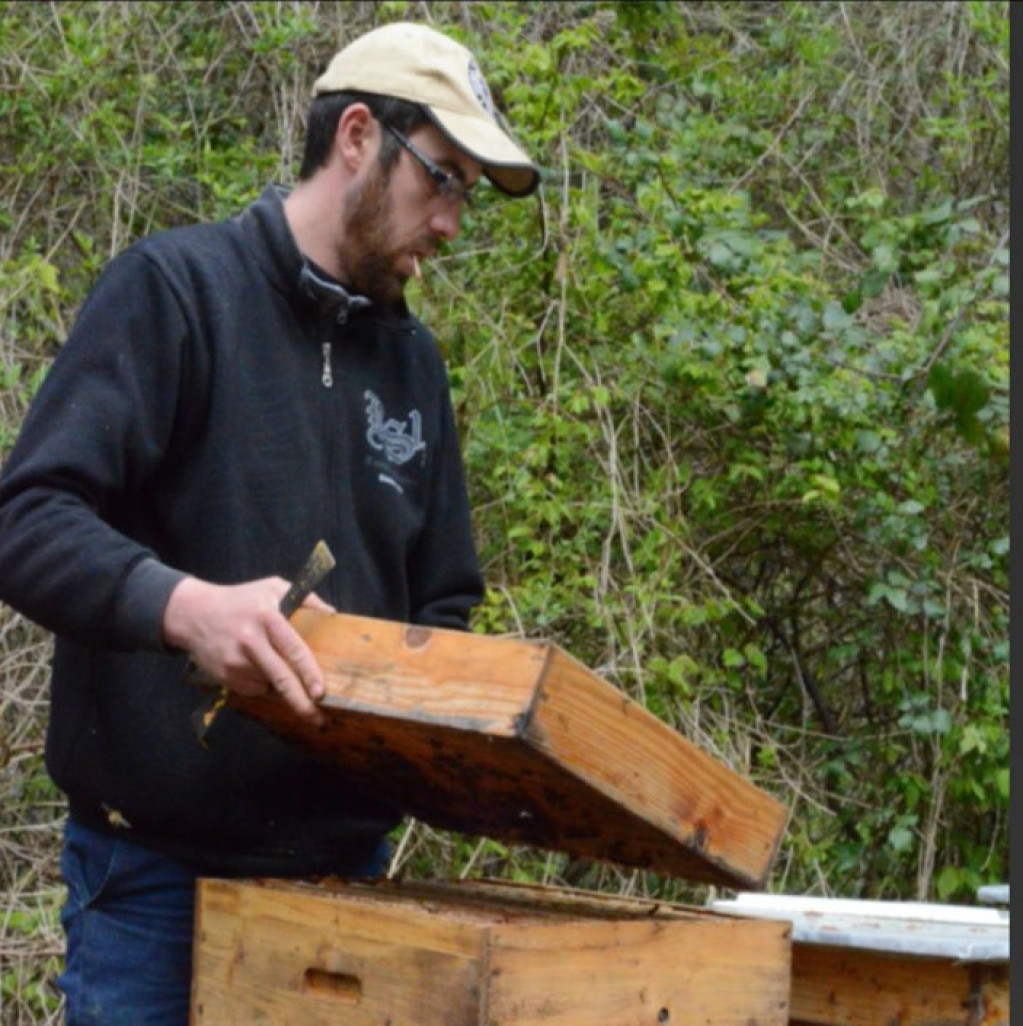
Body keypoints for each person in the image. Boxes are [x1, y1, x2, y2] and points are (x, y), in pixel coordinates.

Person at [0, 21, 539, 1026]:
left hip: (350, 894)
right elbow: (28, 518)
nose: (453, 223)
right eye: (444, 179)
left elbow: (445, 602)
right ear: (358, 137)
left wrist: (461, 746)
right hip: (153, 890)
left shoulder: (413, 367)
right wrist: (185, 608)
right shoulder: (176, 294)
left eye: (466, 191)